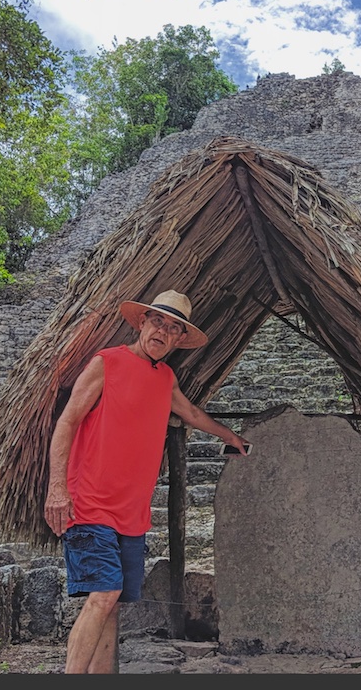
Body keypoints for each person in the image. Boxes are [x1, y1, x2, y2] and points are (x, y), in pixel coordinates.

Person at [43, 289, 251, 674]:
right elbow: (67, 420)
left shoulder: (166, 377)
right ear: (142, 322)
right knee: (104, 595)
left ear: (178, 340)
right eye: (158, 321)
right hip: (89, 504)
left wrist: (229, 436)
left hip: (131, 515)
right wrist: (58, 487)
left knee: (112, 606)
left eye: (173, 328)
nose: (163, 331)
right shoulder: (107, 362)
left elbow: (189, 412)